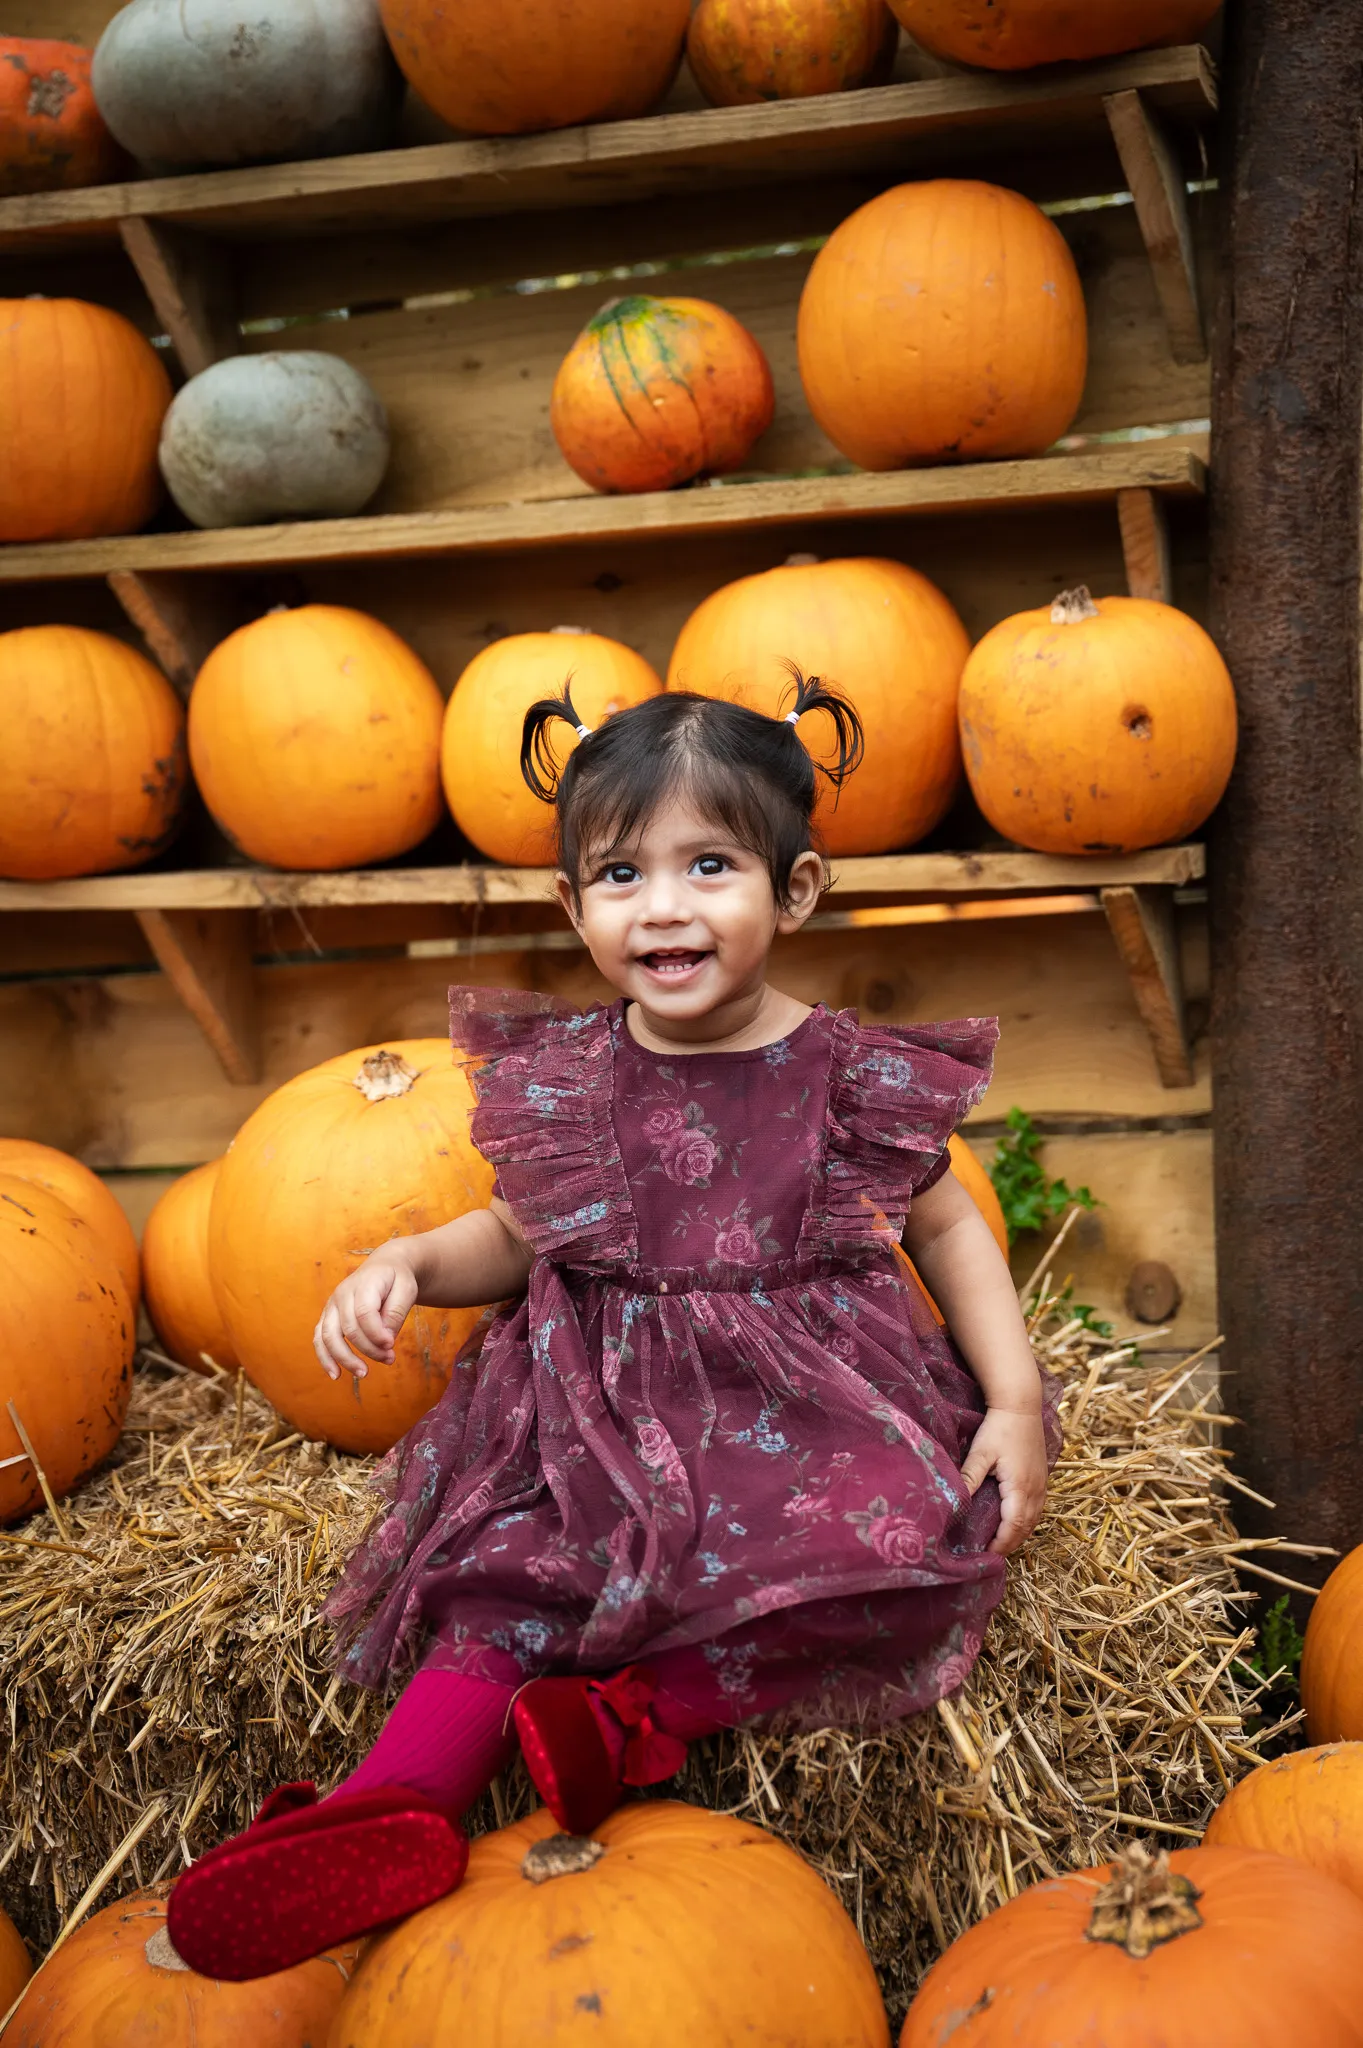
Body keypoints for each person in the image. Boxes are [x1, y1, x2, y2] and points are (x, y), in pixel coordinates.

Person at [167, 673, 1060, 1980]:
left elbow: (949, 1230)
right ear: (573, 907)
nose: (664, 907)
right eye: (621, 876)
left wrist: (1013, 1402)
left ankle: (628, 1717)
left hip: (800, 1393)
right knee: (513, 1574)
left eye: (708, 864)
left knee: (885, 1550)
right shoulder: (574, 1080)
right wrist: (410, 1259)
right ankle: (390, 1803)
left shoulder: (843, 1076)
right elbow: (519, 1237)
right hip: (597, 1407)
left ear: (794, 891)